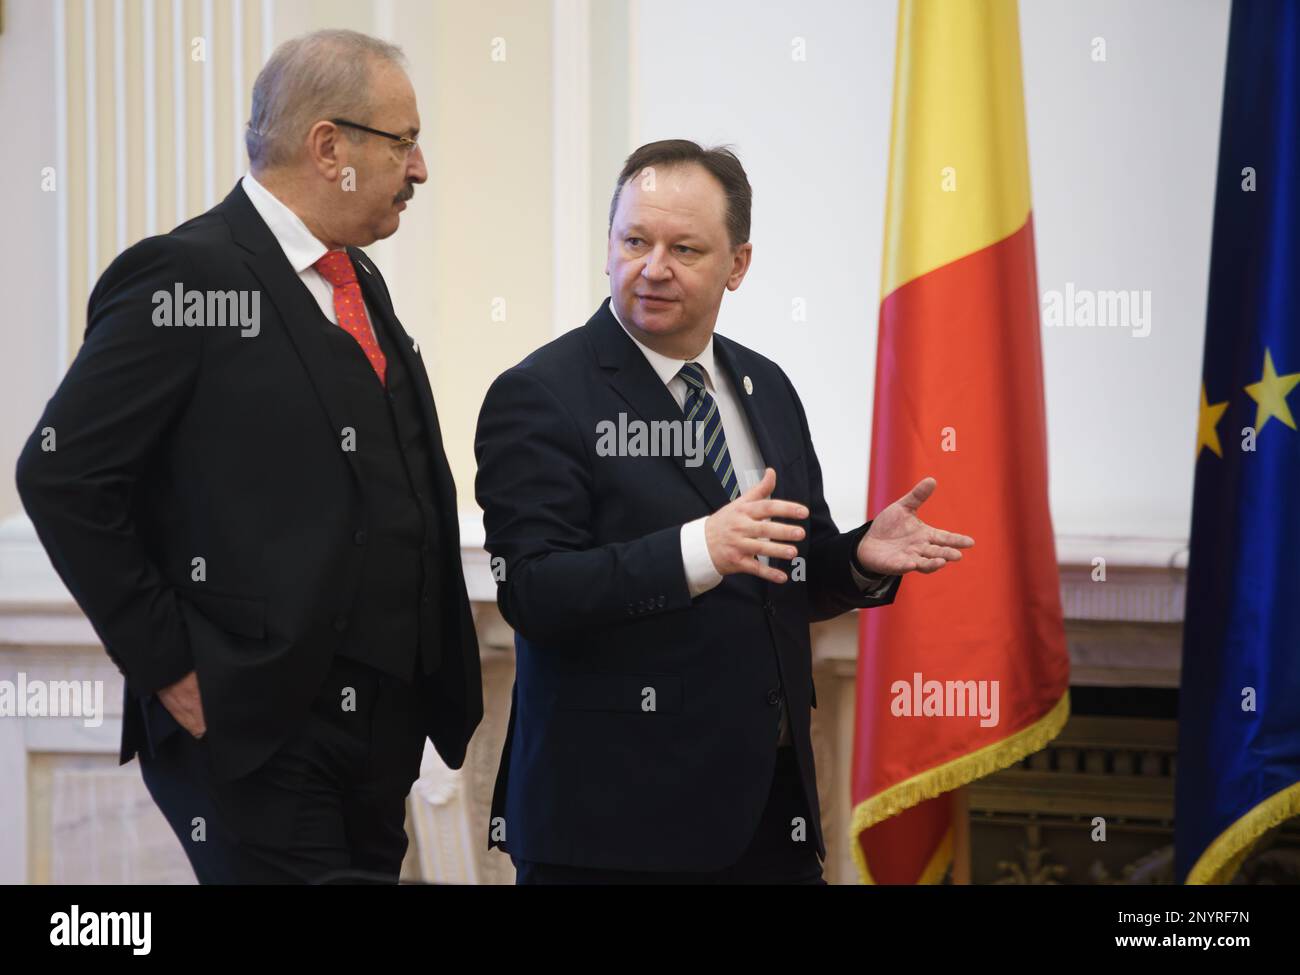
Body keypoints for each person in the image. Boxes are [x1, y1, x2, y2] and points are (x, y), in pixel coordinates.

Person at [15, 29, 482, 884]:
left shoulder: (357, 278)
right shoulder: (183, 276)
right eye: (404, 142)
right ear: (329, 146)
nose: (420, 170)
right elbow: (60, 473)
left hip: (381, 725)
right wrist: (167, 664)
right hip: (255, 722)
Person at [474, 139, 974, 884]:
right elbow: (534, 591)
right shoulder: (541, 394)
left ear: (737, 264)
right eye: (634, 240)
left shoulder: (765, 385)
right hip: (612, 825)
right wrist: (698, 549)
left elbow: (786, 568)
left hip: (769, 813)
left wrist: (859, 558)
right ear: (608, 246)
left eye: (685, 247)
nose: (653, 267)